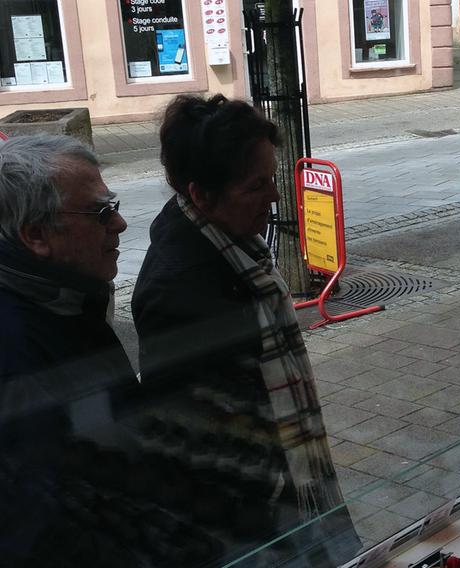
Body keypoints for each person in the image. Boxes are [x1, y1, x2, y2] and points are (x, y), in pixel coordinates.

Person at [132, 94, 357, 565]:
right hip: (251, 526)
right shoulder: (180, 292)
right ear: (201, 194)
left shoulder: (229, 243)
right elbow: (201, 452)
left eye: (273, 179)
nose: (275, 197)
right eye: (257, 186)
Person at [0, 135, 136, 564]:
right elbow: (44, 527)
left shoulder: (69, 299)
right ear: (37, 235)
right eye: (102, 212)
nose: (119, 225)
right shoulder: (15, 349)